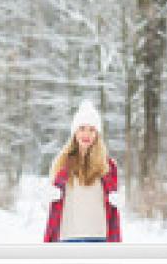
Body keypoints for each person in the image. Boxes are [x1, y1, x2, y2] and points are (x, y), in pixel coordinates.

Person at [43, 99, 121, 242]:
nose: (86, 134)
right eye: (82, 128)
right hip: (69, 236)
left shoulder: (108, 165)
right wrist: (49, 195)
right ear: (74, 132)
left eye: (92, 129)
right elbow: (48, 204)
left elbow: (114, 203)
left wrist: (117, 199)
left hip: (99, 237)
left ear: (97, 134)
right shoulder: (61, 163)